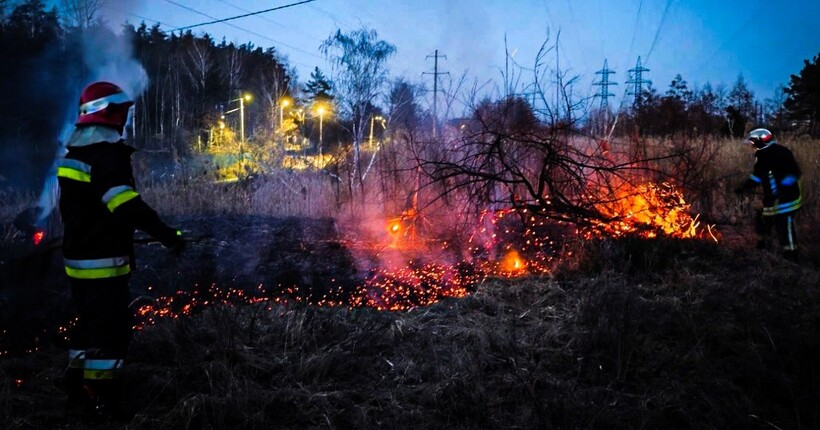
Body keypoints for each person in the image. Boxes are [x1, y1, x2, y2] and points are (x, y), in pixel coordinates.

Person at [56, 81, 184, 418]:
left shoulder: (75, 154)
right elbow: (125, 204)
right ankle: (103, 398)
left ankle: (75, 384)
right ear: (108, 113)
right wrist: (166, 234)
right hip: (103, 261)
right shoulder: (107, 155)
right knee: (111, 330)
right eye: (122, 112)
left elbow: (84, 209)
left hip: (77, 259)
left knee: (86, 323)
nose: (125, 119)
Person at [734, 128, 803, 262]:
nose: (752, 146)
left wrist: (781, 190)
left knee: (784, 225)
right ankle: (764, 250)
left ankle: (791, 257)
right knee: (763, 219)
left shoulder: (782, 153)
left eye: (753, 143)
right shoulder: (762, 156)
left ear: (761, 141)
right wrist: (744, 187)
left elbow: (794, 173)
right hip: (772, 198)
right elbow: (757, 177)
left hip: (788, 199)